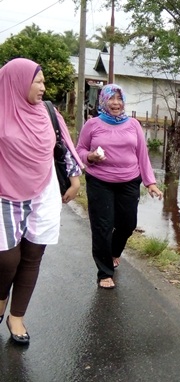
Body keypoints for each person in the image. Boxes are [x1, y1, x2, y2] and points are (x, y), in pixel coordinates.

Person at [0, 58, 83, 345]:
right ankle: (1, 294)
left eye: (44, 81)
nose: (43, 87)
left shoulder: (48, 112)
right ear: (19, 81)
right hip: (4, 193)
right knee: (7, 258)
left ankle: (17, 316)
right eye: (39, 81)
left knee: (34, 254)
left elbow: (62, 146)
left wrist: (74, 178)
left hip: (43, 189)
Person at [76, 83, 163, 289]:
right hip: (100, 182)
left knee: (127, 224)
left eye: (119, 99)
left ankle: (114, 251)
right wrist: (90, 156)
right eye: (111, 99)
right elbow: (79, 150)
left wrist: (150, 182)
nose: (116, 103)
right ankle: (105, 272)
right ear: (103, 101)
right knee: (102, 227)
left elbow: (142, 154)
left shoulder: (133, 124)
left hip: (129, 181)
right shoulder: (93, 124)